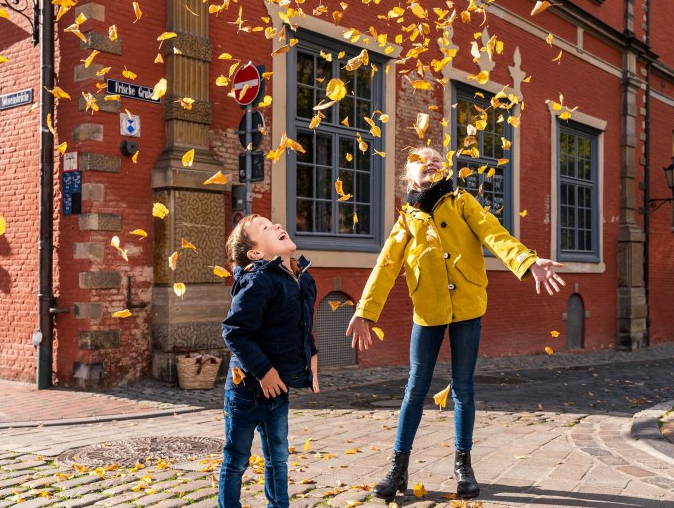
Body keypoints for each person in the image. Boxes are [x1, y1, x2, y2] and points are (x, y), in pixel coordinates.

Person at [347, 146, 566, 500]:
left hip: (467, 306)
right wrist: (366, 312)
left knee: (463, 387)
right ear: (409, 175)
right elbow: (385, 267)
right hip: (428, 311)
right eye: (421, 160)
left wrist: (528, 262)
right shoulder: (406, 219)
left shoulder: (462, 200)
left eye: (436, 158)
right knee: (415, 388)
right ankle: (398, 467)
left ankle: (463, 465)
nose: (430, 162)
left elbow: (495, 234)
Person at [220, 215, 320, 508]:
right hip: (246, 391)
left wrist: (310, 356)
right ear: (255, 254)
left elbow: (302, 326)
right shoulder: (257, 281)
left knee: (278, 456)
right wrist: (264, 371)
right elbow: (235, 333)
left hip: (279, 391)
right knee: (236, 458)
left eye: (273, 223)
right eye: (265, 228)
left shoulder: (303, 278)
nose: (276, 226)